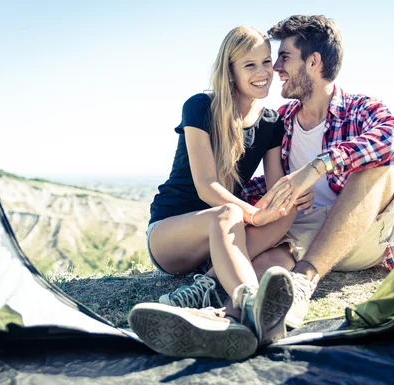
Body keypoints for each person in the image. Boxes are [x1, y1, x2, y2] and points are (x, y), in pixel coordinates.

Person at [155, 15, 394, 332]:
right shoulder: (283, 120)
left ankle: (304, 281)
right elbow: (269, 187)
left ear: (314, 62)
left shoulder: (358, 109)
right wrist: (258, 212)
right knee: (265, 270)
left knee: (378, 166)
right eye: (261, 62)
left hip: (360, 237)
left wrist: (318, 166)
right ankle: (233, 322)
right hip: (301, 236)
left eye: (282, 58)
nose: (275, 68)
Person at [128, 26, 313, 360]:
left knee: (286, 211)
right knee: (229, 213)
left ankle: (211, 292)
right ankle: (249, 301)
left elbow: (274, 189)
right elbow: (206, 186)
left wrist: (292, 195)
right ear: (230, 70)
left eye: (266, 62)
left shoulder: (271, 122)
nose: (263, 73)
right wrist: (254, 214)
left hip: (221, 239)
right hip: (172, 234)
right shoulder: (199, 107)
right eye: (250, 65)